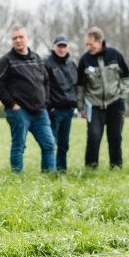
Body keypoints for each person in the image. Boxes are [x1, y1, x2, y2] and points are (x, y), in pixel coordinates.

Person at [0, 25, 55, 173]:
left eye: (21, 37)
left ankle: (49, 176)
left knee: (49, 145)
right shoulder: (6, 60)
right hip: (19, 111)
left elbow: (46, 81)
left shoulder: (37, 58)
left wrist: (45, 102)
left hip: (40, 112)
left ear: (27, 38)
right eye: (14, 38)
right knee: (19, 146)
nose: (18, 40)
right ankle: (17, 178)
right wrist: (12, 105)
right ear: (11, 41)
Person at [77, 27, 129, 168]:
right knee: (93, 137)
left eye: (91, 44)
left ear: (100, 41)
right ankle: (91, 168)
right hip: (94, 105)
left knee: (115, 137)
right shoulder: (84, 60)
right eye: (86, 45)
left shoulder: (115, 55)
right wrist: (81, 107)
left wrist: (123, 95)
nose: (88, 47)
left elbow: (127, 76)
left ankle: (116, 166)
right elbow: (80, 86)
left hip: (115, 103)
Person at [45, 34, 79, 171]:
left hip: (68, 110)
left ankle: (62, 169)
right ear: (53, 47)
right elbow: (44, 86)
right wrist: (50, 106)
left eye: (64, 46)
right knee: (51, 142)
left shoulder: (72, 64)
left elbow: (76, 86)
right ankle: (49, 169)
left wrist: (75, 104)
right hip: (54, 110)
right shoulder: (47, 63)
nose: (62, 49)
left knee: (64, 143)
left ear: (68, 48)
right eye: (59, 46)